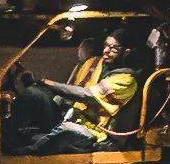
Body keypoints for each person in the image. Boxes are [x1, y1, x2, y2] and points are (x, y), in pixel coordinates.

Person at [8, 30, 139, 156]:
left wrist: (49, 84)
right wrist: (50, 101)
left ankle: (26, 152)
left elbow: (86, 95)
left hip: (92, 131)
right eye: (106, 45)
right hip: (68, 116)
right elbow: (71, 89)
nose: (106, 51)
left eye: (114, 48)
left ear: (126, 52)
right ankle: (11, 137)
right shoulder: (92, 63)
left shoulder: (126, 80)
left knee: (67, 130)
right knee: (32, 94)